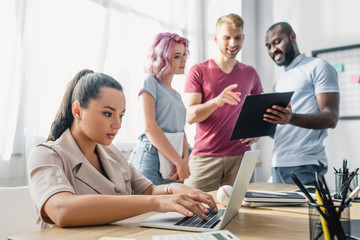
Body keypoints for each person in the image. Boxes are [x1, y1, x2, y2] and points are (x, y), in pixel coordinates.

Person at [27, 69, 217, 229]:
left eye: (121, 115)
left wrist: (171, 189)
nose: (117, 124)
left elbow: (147, 191)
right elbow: (61, 210)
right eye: (108, 113)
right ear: (77, 111)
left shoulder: (111, 152)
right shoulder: (46, 154)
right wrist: (158, 202)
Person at [184, 14, 263, 192]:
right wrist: (217, 101)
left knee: (241, 213)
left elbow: (259, 112)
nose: (233, 43)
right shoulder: (199, 71)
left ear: (243, 38)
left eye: (237, 37)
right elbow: (190, 116)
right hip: (206, 157)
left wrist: (256, 132)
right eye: (227, 38)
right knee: (192, 209)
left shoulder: (250, 73)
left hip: (241, 158)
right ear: (216, 38)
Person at [264, 22, 340, 185]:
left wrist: (291, 118)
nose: (272, 50)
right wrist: (260, 126)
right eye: (268, 46)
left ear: (292, 37)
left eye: (277, 42)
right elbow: (281, 129)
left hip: (305, 164)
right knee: (277, 213)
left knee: (308, 212)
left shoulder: (318, 67)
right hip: (278, 164)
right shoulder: (280, 82)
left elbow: (331, 117)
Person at [129, 33, 191, 185]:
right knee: (149, 208)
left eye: (184, 54)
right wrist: (179, 161)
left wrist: (184, 161)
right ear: (163, 58)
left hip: (173, 161)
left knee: (174, 208)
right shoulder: (150, 82)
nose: (184, 60)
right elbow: (149, 127)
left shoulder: (176, 95)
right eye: (177, 56)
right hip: (152, 156)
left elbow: (181, 131)